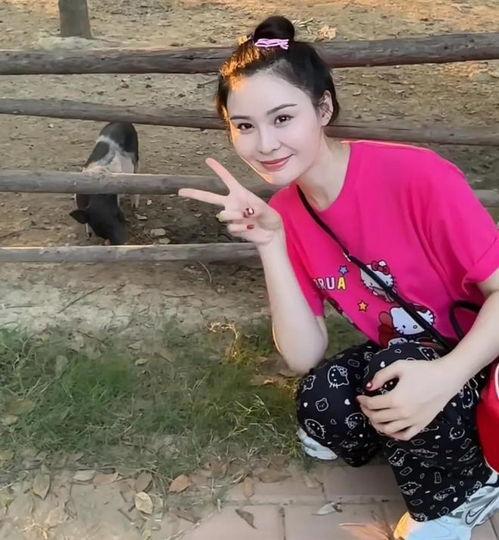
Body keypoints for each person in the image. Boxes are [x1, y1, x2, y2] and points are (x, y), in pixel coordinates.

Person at [178, 15, 499, 539]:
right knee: (321, 403)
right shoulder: (287, 212)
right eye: (244, 126)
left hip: (484, 352)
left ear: (323, 109)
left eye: (283, 118)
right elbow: (303, 354)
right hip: (419, 352)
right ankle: (437, 433)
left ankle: (465, 493)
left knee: (397, 373)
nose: (265, 144)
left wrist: (447, 376)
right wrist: (271, 244)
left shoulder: (419, 177)